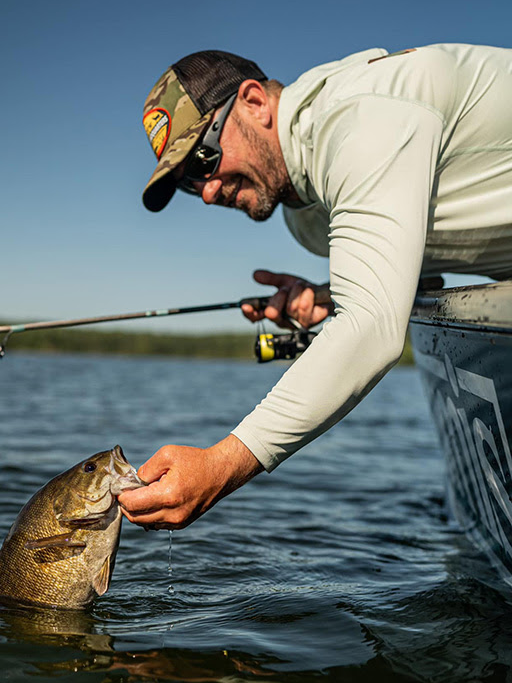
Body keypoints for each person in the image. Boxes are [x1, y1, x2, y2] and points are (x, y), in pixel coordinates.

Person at [118, 44, 512, 530]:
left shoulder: (359, 119)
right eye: (186, 184)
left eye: (203, 159)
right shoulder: (305, 221)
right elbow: (418, 278)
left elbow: (372, 326)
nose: (208, 192)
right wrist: (333, 296)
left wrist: (222, 465)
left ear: (255, 102)